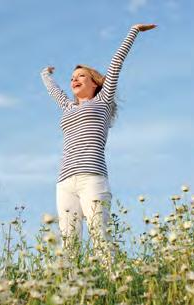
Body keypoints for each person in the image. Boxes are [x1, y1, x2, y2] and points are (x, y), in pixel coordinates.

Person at [41, 24, 157, 255]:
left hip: (91, 177)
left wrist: (133, 31)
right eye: (72, 78)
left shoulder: (102, 100)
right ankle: (72, 290)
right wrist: (44, 74)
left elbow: (116, 63)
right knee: (69, 245)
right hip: (64, 181)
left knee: (100, 236)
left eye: (81, 76)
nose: (74, 80)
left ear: (94, 82)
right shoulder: (67, 107)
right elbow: (54, 90)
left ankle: (114, 286)